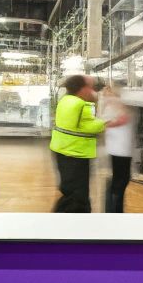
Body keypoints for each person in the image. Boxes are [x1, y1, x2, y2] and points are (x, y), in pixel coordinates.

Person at [49, 75, 125, 213]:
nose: (94, 91)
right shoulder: (80, 104)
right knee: (77, 197)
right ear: (82, 89)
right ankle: (70, 221)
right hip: (75, 153)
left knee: (71, 191)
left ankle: (64, 218)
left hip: (63, 150)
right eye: (91, 87)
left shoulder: (65, 100)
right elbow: (88, 126)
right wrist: (109, 121)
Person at [97, 83, 135, 213]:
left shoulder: (110, 104)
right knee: (120, 181)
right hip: (120, 150)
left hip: (119, 149)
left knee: (119, 180)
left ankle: (113, 210)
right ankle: (113, 211)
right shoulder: (114, 105)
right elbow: (121, 119)